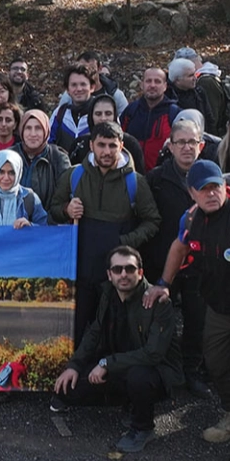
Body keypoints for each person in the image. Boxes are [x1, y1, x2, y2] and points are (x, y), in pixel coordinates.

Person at [145, 160, 230, 461]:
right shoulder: (190, 218)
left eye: (215, 187)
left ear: (224, 186)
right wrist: (163, 283)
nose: (211, 194)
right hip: (220, 305)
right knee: (216, 363)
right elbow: (178, 248)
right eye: (204, 189)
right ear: (191, 192)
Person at [52, 247, 181, 452]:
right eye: (118, 269)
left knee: (139, 377)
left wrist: (106, 363)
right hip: (118, 365)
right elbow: (94, 333)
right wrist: (74, 366)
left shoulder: (159, 303)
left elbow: (153, 354)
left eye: (130, 269)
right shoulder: (108, 294)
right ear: (109, 274)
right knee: (67, 391)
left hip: (155, 372)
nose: (123, 274)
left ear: (140, 272)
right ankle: (127, 401)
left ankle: (142, 428)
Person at [58, 122, 161, 340]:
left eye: (112, 146)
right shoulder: (73, 177)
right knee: (76, 332)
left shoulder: (135, 182)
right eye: (101, 145)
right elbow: (51, 212)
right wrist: (66, 210)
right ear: (91, 146)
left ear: (121, 145)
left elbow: (152, 221)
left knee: (115, 334)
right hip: (80, 272)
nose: (106, 152)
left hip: (118, 277)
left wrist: (125, 241)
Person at [143, 117, 210, 395]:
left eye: (191, 142)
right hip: (162, 261)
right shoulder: (155, 178)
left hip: (200, 264)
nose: (186, 148)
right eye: (180, 142)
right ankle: (162, 370)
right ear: (170, 146)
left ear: (201, 145)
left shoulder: (212, 177)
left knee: (198, 320)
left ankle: (192, 371)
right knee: (159, 320)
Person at [0, 150, 48, 228]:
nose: (6, 178)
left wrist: (30, 226)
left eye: (11, 173)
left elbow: (45, 231)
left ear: (18, 173)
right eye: (1, 172)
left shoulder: (30, 198)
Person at [120, 66, 179, 169]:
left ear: (165, 86)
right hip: (132, 174)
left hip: (162, 177)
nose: (152, 85)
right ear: (142, 85)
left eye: (157, 81)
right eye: (148, 81)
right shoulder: (131, 111)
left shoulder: (174, 113)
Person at [15, 109, 70, 217]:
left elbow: (62, 199)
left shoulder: (58, 158)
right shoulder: (10, 155)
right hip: (12, 225)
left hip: (47, 227)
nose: (33, 134)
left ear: (46, 130)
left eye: (38, 128)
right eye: (28, 128)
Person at [48, 65, 96, 150]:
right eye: (74, 85)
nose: (79, 89)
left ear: (92, 87)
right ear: (67, 90)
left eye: (83, 84)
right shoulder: (59, 113)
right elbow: (49, 144)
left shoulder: (103, 112)